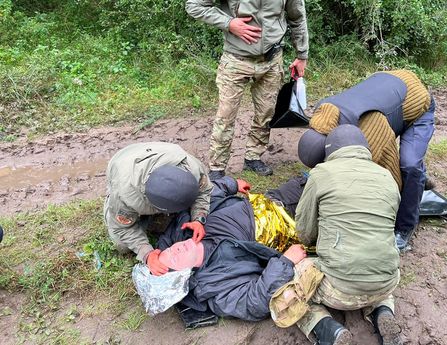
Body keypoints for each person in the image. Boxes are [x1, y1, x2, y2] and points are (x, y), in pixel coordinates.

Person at [297, 70, 435, 251]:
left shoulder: (370, 133)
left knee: (409, 165)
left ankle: (405, 228)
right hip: (387, 86)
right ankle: (418, 184)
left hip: (416, 101)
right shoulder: (322, 113)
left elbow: (388, 177)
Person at [292, 125, 402, 345]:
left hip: (339, 289)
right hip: (386, 282)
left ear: (330, 151)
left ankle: (326, 329)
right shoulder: (388, 176)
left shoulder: (321, 173)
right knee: (377, 275)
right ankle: (383, 312)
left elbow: (304, 232)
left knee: (292, 283)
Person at [185, 0, 309, 179]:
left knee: (266, 112)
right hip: (236, 60)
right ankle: (217, 168)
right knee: (225, 116)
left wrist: (301, 55)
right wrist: (229, 23)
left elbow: (297, 17)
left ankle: (253, 157)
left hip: (272, 59)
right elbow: (194, 5)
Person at [156, 176, 307, 322]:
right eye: (174, 258)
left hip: (271, 199)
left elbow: (203, 194)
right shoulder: (215, 284)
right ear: (183, 276)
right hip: (294, 225)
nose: (175, 250)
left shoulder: (184, 229)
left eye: (169, 250)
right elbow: (254, 302)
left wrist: (230, 184)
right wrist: (286, 262)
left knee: (317, 177)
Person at [104, 142, 213, 276]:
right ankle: (109, 204)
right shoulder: (126, 193)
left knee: (172, 220)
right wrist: (147, 253)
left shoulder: (193, 169)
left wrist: (198, 218)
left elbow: (204, 191)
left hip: (163, 152)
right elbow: (122, 228)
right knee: (122, 245)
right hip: (124, 161)